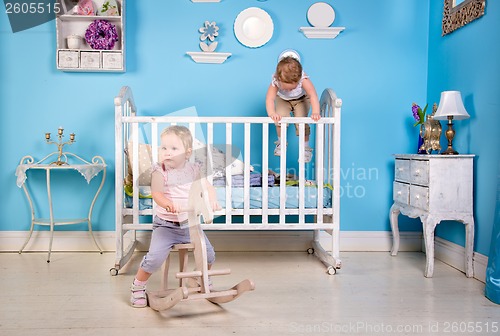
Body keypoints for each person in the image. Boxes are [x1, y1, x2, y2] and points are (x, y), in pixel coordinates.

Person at [130, 125, 220, 308]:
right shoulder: (159, 171)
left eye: (173, 149)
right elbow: (157, 194)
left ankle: (200, 278)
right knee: (155, 257)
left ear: (187, 153)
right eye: (164, 148)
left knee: (209, 255)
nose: (167, 153)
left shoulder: (194, 169)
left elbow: (207, 187)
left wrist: (212, 199)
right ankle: (138, 286)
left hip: (191, 224)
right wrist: (168, 204)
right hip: (166, 226)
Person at [265, 55, 321, 163]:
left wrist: (315, 112)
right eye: (286, 87)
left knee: (301, 121)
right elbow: (270, 98)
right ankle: (281, 143)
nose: (290, 90)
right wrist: (272, 113)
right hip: (283, 99)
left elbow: (313, 95)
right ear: (279, 79)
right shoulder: (276, 80)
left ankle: (305, 149)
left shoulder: (303, 79)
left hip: (301, 99)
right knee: (279, 119)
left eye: (293, 87)